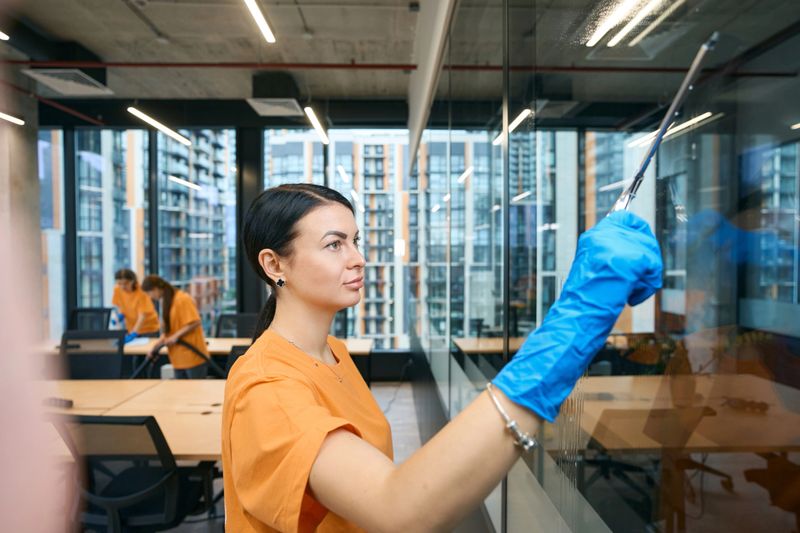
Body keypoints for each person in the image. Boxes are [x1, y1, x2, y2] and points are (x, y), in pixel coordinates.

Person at [222, 183, 663, 532]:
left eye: (356, 241)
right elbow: (396, 510)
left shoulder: (333, 353)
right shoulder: (269, 388)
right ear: (274, 265)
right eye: (335, 244)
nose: (358, 259)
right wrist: (571, 329)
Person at [141, 275, 210, 379]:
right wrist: (155, 348)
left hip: (193, 357)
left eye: (149, 293)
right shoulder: (166, 302)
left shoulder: (182, 298)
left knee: (195, 393)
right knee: (181, 394)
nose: (150, 297)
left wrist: (175, 337)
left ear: (155, 289)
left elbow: (195, 321)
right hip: (177, 359)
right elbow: (169, 331)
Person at [112, 268, 160, 343]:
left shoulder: (142, 292)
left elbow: (142, 316)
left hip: (148, 329)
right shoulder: (117, 290)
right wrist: (120, 315)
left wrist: (133, 333)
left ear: (132, 281)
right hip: (131, 328)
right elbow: (117, 305)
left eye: (125, 283)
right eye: (119, 283)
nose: (122, 286)